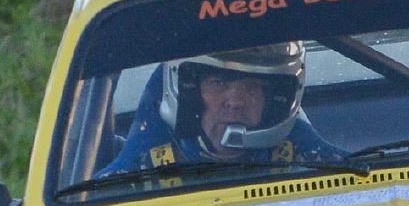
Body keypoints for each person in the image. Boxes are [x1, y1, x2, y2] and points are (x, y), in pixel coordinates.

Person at [98, 42, 343, 175]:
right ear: (188, 93)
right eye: (218, 83)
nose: (235, 101)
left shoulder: (323, 171)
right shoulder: (123, 184)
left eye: (251, 86)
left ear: (273, 101)